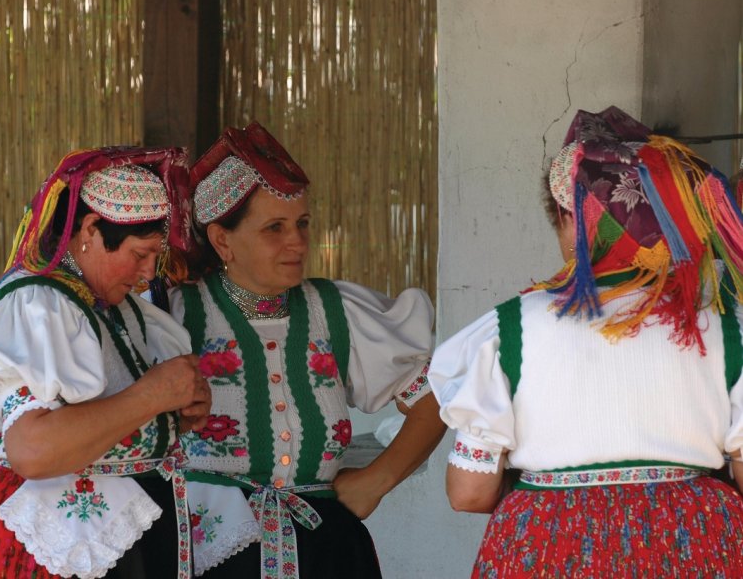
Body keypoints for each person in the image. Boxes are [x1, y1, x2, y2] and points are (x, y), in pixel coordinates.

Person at [428, 106, 743, 576]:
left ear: (568, 217)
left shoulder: (507, 330)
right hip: (692, 544)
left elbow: (468, 493)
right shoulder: (725, 322)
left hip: (549, 548)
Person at [0, 146, 211, 579]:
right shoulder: (37, 307)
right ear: (90, 229)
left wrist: (174, 416)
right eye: (139, 254)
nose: (148, 273)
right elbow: (33, 450)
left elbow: (110, 417)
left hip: (106, 535)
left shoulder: (117, 307)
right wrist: (153, 395)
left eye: (154, 257)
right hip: (24, 538)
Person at [167, 122, 446, 578]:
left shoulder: (336, 310)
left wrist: (377, 481)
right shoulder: (179, 317)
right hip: (213, 554)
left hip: (327, 553)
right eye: (274, 228)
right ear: (222, 240)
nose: (296, 241)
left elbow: (432, 396)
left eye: (301, 223)